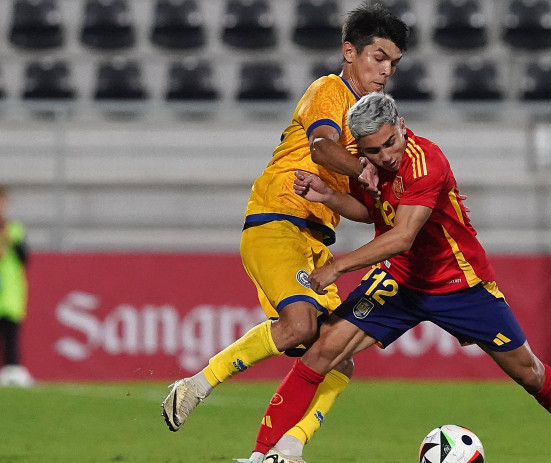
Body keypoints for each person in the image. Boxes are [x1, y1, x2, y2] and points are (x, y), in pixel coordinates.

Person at [253, 93, 551, 463]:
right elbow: (373, 212)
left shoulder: (426, 161)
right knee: (321, 351)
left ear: (401, 126)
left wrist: (337, 266)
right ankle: (261, 455)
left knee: (529, 373)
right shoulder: (368, 163)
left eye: (389, 143)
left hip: (459, 284)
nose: (384, 155)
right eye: (373, 150)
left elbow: (400, 237)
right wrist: (330, 195)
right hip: (400, 280)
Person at [160, 3, 409, 462]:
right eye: (378, 57)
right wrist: (363, 167)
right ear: (349, 52)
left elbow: (360, 207)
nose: (386, 70)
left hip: (314, 240)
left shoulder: (368, 130)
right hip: (275, 221)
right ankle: (196, 385)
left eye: (393, 62)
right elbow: (321, 147)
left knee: (340, 357)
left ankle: (287, 450)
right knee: (300, 327)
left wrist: (349, 195)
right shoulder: (330, 90)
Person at [0, 185, 33, 388]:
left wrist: (12, 243)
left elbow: (25, 257)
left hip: (10, 293)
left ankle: (12, 373)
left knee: (11, 336)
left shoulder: (15, 230)